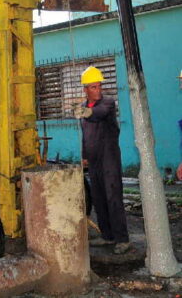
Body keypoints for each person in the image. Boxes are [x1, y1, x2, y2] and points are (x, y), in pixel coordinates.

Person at [74, 66, 130, 254]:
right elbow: (85, 135)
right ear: (86, 89)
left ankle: (122, 239)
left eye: (99, 86)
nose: (98, 90)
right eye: (94, 87)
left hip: (109, 159)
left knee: (113, 198)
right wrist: (83, 157)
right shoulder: (83, 107)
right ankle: (107, 236)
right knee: (98, 199)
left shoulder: (108, 103)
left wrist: (86, 113)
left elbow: (98, 114)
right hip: (94, 160)